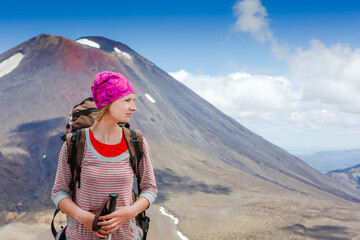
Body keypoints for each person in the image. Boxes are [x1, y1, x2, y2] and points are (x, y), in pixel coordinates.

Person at [51, 71, 158, 240]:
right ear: (108, 103)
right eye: (127, 100)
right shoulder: (75, 144)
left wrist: (129, 212)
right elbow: (59, 192)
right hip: (79, 236)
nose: (134, 107)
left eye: (134, 100)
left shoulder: (136, 141)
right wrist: (84, 218)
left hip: (126, 236)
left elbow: (150, 188)